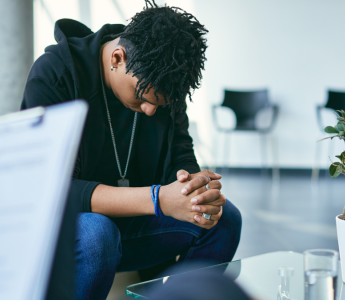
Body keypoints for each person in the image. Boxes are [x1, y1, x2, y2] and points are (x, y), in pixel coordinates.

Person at [21, 1, 242, 299]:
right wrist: (158, 199)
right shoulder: (55, 75)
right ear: (117, 57)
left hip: (135, 227)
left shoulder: (164, 77)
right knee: (98, 234)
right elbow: (51, 190)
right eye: (143, 98)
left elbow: (179, 150)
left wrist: (193, 188)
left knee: (224, 219)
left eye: (160, 103)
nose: (150, 110)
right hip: (75, 233)